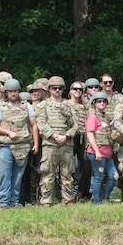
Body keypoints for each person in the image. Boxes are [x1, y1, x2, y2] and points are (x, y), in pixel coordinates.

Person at [0, 78, 39, 209]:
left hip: (22, 146)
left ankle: (14, 201)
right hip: (5, 146)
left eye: (15, 91)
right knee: (5, 175)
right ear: (6, 92)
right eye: (10, 91)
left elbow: (34, 125)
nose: (13, 94)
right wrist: (8, 132)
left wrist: (36, 143)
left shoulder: (26, 106)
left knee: (18, 176)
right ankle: (4, 202)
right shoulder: (0, 106)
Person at [36, 75, 76, 206]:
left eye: (59, 88)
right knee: (47, 173)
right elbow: (41, 123)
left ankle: (68, 199)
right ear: (49, 89)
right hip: (50, 144)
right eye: (54, 88)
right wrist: (53, 135)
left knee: (67, 174)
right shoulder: (43, 105)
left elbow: (76, 125)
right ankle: (46, 201)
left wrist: (66, 136)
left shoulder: (69, 105)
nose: (57, 90)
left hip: (66, 144)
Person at [85, 93, 117, 204]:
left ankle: (106, 198)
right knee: (98, 177)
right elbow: (90, 135)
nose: (102, 103)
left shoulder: (105, 117)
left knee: (114, 176)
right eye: (99, 101)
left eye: (104, 101)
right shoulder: (92, 117)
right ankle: (97, 202)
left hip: (107, 153)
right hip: (97, 152)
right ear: (94, 103)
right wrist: (97, 152)